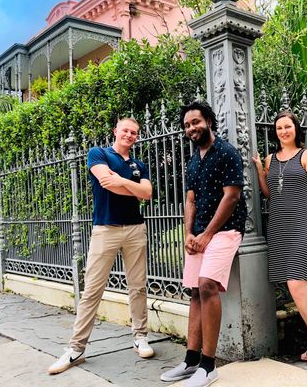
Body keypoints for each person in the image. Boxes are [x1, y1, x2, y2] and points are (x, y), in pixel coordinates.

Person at [48, 118, 154, 375]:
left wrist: (124, 182)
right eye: (125, 130)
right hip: (105, 229)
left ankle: (140, 336)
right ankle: (76, 349)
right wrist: (133, 187)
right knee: (92, 289)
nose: (129, 135)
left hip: (134, 229)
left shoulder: (140, 165)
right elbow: (106, 182)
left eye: (134, 132)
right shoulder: (99, 153)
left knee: (138, 287)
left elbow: (147, 193)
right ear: (115, 132)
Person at [161, 101, 247, 387]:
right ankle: (190, 361)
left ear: (209, 121)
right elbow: (190, 199)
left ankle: (209, 367)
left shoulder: (227, 152)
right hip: (198, 233)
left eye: (196, 122)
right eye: (186, 125)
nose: (191, 128)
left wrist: (208, 234)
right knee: (195, 292)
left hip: (225, 231)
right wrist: (188, 233)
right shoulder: (194, 160)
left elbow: (231, 196)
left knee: (208, 284)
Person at [252, 111, 307, 365]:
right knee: (301, 287)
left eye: (287, 126)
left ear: (295, 129)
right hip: (280, 227)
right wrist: (260, 172)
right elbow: (269, 194)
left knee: (297, 284)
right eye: (279, 128)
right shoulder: (270, 159)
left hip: (305, 223)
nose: (283, 131)